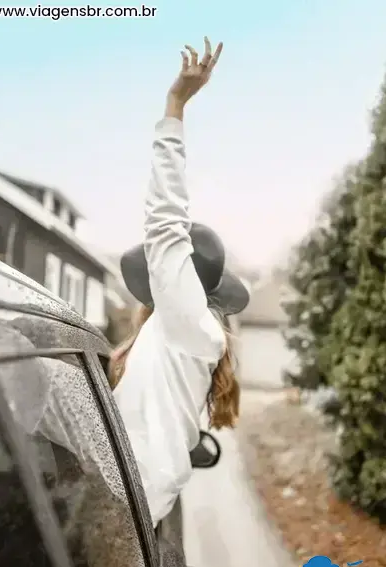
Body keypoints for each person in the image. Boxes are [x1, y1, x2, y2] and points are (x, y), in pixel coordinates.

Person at [109, 37, 250, 527]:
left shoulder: (190, 328)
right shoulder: (172, 339)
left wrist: (175, 106)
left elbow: (167, 221)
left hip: (125, 505)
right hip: (123, 500)